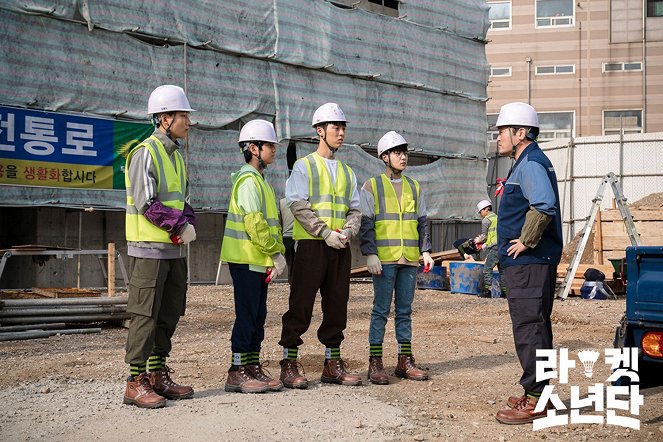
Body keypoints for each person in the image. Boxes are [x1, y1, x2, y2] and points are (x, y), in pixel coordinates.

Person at [278, 103, 362, 388]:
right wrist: (324, 232)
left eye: (343, 127)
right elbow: (298, 205)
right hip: (312, 246)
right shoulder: (304, 166)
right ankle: (289, 363)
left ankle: (332, 363)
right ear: (319, 131)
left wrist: (348, 232)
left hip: (340, 246)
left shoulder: (348, 172)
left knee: (337, 305)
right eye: (335, 127)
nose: (341, 132)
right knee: (300, 305)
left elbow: (355, 210)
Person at [123, 85, 197, 408]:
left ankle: (156, 374)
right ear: (164, 118)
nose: (187, 122)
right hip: (149, 252)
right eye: (183, 115)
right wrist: (180, 225)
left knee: (168, 313)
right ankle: (134, 381)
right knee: (144, 315)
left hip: (174, 252)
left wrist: (189, 221)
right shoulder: (145, 154)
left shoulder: (177, 158)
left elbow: (184, 201)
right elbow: (147, 203)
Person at [492, 102, 563, 424]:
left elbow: (544, 206)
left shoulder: (531, 163)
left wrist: (525, 241)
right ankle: (540, 393)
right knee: (537, 326)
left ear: (520, 133)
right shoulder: (525, 162)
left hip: (530, 261)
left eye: (502, 131)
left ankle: (535, 399)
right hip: (533, 262)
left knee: (529, 328)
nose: (498, 137)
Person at [359, 131, 435, 385]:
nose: (403, 157)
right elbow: (366, 223)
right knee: (380, 310)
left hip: (409, 259)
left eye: (404, 153)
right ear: (384, 157)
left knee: (405, 311)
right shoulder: (372, 185)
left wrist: (425, 251)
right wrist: (370, 253)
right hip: (384, 258)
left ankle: (405, 360)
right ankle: (376, 362)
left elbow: (422, 222)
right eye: (397, 153)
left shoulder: (415, 187)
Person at [220, 119, 287, 394]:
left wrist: (273, 255)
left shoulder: (262, 182)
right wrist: (276, 252)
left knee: (258, 316)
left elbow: (269, 224)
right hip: (247, 259)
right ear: (253, 148)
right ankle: (237, 371)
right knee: (247, 316)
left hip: (257, 260)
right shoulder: (248, 181)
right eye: (269, 145)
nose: (273, 149)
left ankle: (251, 366)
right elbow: (255, 225)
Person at [474, 199, 506, 298]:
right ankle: (505, 292)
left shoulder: (486, 220)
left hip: (495, 248)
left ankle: (487, 291)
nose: (480, 214)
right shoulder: (497, 217)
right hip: (502, 246)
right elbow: (495, 235)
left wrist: (478, 240)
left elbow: (485, 236)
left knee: (487, 268)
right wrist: (485, 245)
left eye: (480, 212)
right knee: (502, 270)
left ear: (486, 209)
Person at [279, 196, 296, 284]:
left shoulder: (281, 202)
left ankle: (291, 283)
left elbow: (281, 220)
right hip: (298, 236)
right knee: (299, 264)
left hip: (286, 236)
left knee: (290, 264)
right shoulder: (301, 201)